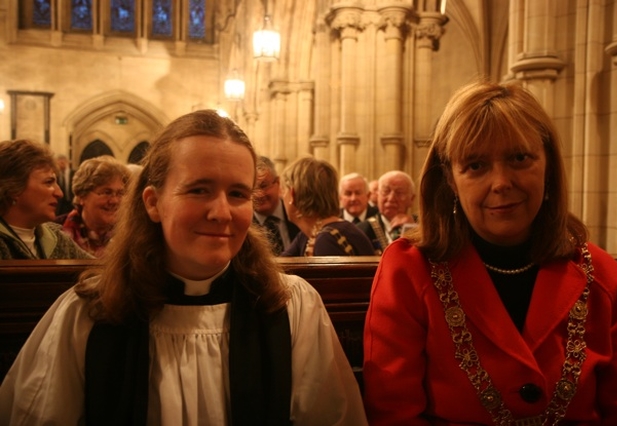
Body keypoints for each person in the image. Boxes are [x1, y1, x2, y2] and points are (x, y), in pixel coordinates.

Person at [0, 110, 367, 425]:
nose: (222, 212)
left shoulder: (293, 308)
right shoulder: (85, 315)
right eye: (198, 190)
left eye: (238, 194)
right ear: (153, 203)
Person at [362, 81, 617, 424]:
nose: (501, 182)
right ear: (450, 178)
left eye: (519, 158)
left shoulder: (601, 275)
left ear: (548, 165)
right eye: (476, 165)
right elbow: (394, 414)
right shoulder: (409, 270)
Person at [0, 139, 93, 260]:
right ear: (13, 188)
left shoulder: (57, 239)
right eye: (48, 182)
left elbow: (100, 271)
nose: (59, 193)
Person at [280, 157, 375, 257]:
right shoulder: (309, 234)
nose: (282, 197)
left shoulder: (327, 241)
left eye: (283, 191)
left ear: (292, 195)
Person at [60, 155, 131, 258]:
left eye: (120, 193)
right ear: (82, 196)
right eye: (106, 192)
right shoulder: (55, 234)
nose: (115, 200)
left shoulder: (132, 235)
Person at [357, 170, 416, 254]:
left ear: (412, 199)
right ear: (377, 196)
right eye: (386, 191)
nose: (391, 198)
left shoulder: (422, 228)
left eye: (399, 193)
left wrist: (412, 229)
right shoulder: (362, 231)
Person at [253, 155, 300, 255]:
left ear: (278, 182)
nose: (259, 194)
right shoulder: (243, 223)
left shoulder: (297, 213)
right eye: (253, 188)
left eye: (263, 186)